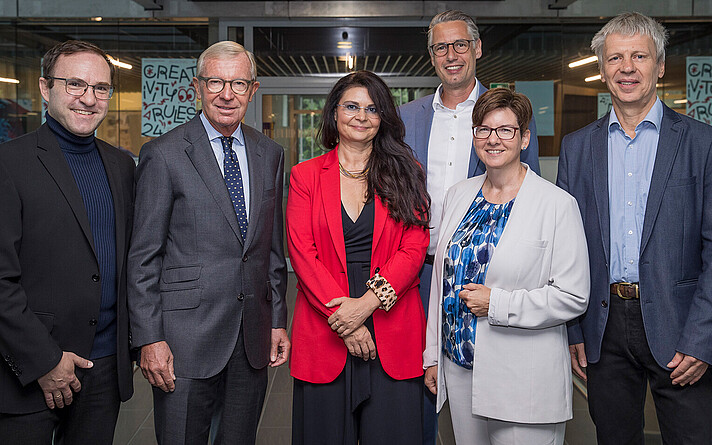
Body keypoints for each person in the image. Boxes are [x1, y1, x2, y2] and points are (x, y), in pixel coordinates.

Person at [557, 12, 712, 444]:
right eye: (615, 58)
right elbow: (564, 248)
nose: (627, 68)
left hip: (682, 326)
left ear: (659, 66)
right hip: (602, 328)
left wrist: (703, 339)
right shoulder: (577, 146)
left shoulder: (703, 143)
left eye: (639, 56)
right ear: (602, 69)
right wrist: (573, 329)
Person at [127, 41, 289, 445]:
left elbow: (270, 249)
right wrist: (149, 337)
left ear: (253, 90)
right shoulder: (163, 154)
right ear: (197, 86)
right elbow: (144, 256)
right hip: (183, 337)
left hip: (250, 333)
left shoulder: (270, 153)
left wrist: (276, 320)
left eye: (238, 83)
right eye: (215, 81)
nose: (226, 93)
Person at [398, 11, 541, 442]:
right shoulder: (408, 117)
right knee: (415, 385)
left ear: (477, 49)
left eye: (460, 44)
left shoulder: (502, 115)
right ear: (431, 56)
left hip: (482, 278)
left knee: (484, 392)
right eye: (441, 47)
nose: (451, 55)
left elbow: (526, 196)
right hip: (415, 274)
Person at [424, 87, 589, 445]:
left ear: (525, 137)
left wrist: (497, 304)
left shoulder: (557, 205)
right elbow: (441, 284)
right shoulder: (458, 195)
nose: (493, 139)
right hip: (460, 369)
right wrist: (433, 356)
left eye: (505, 130)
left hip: (522, 379)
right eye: (483, 129)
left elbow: (573, 296)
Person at [0, 40, 135, 444]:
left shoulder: (123, 166)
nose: (88, 99)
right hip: (29, 371)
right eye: (75, 84)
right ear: (45, 88)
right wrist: (45, 360)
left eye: (100, 88)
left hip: (104, 365)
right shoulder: (9, 165)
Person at [287, 70, 430, 445]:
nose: (361, 116)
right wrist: (346, 321)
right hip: (325, 328)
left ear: (383, 118)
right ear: (334, 112)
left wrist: (365, 305)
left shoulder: (406, 172)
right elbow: (302, 253)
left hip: (392, 327)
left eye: (372, 109)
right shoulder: (305, 176)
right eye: (352, 106)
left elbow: (414, 247)